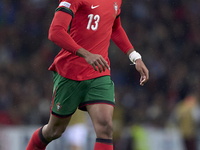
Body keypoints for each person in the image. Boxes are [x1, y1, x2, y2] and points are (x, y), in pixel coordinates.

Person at [26, 0, 149, 149]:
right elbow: (55, 31)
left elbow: (115, 28)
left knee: (105, 127)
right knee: (54, 130)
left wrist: (135, 56)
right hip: (70, 73)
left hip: (99, 72)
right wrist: (86, 54)